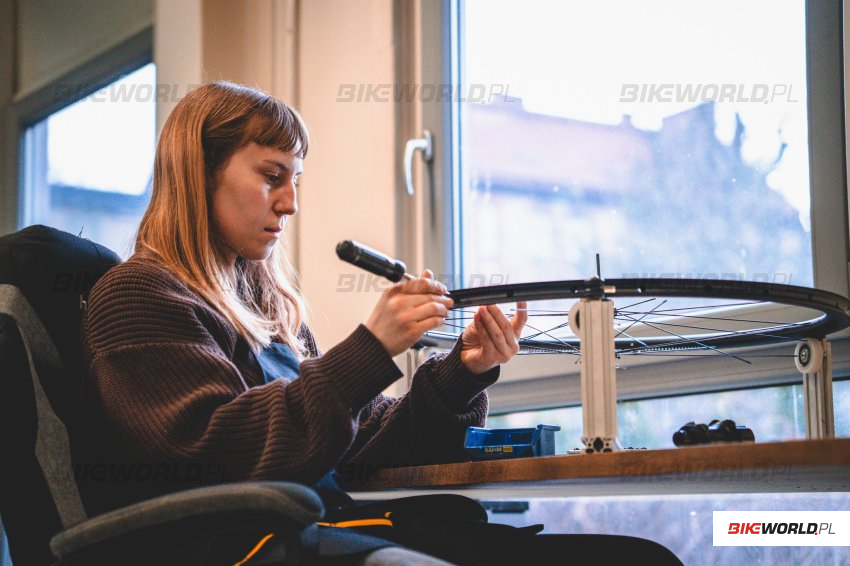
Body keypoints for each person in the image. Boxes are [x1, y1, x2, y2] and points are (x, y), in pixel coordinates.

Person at [78, 81, 528, 563]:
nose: (290, 203)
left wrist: (463, 373)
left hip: (314, 536)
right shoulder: (136, 297)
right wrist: (371, 350)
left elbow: (363, 440)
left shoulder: (271, 311)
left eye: (295, 181)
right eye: (272, 176)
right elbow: (220, 456)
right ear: (201, 173)